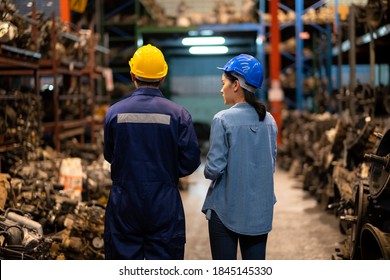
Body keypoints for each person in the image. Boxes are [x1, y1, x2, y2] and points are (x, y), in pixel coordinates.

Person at [103, 44, 201, 260]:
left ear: (132, 75)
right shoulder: (178, 115)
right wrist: (165, 170)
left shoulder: (114, 113)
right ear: (163, 77)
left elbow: (110, 155)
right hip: (164, 203)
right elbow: (191, 161)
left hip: (124, 205)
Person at [201, 54, 278, 260]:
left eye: (223, 83)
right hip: (260, 211)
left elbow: (213, 170)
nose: (221, 89)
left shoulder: (222, 119)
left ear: (236, 85)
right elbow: (270, 165)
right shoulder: (269, 120)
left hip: (226, 209)